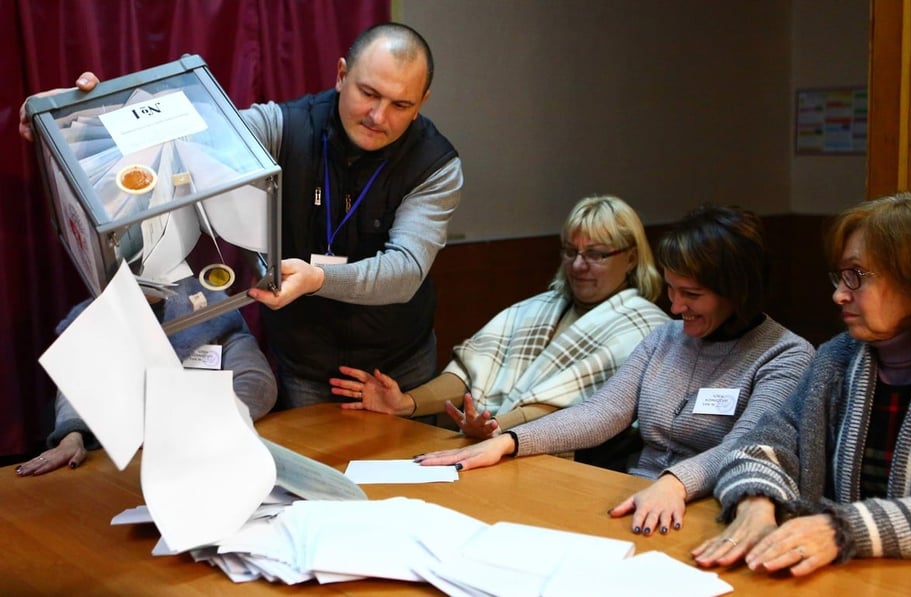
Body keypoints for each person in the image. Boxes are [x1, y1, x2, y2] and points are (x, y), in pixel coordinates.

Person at [20, 22, 463, 410]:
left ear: (422, 101)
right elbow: (193, 130)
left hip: (399, 366)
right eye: (368, 93)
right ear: (342, 74)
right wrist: (78, 114)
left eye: (400, 105)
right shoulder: (284, 125)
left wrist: (317, 279)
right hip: (305, 364)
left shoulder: (436, 165)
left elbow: (406, 271)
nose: (377, 115)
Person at [413, 204, 815, 537]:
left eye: (692, 295)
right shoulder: (665, 338)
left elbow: (745, 448)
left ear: (739, 291)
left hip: (715, 509)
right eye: (672, 290)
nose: (675, 308)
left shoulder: (785, 355)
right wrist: (509, 441)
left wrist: (674, 483)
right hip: (633, 493)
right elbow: (602, 413)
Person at [693, 192, 911, 575]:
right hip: (848, 578)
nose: (838, 294)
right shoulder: (838, 357)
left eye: (856, 276)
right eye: (840, 276)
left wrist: (841, 529)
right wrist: (757, 500)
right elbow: (762, 444)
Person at [330, 195, 670, 443]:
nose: (579, 265)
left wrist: (497, 427)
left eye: (595, 254)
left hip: (555, 461)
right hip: (491, 441)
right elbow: (472, 372)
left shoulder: (646, 327)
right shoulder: (540, 306)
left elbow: (575, 409)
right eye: (570, 251)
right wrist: (406, 402)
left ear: (631, 258)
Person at [15, 276, 277, 477]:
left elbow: (256, 384)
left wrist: (191, 427)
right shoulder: (94, 317)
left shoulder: (212, 308)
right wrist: (71, 435)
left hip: (207, 462)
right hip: (125, 472)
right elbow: (78, 387)